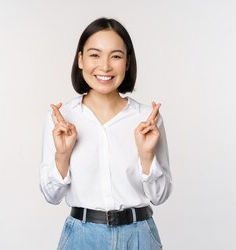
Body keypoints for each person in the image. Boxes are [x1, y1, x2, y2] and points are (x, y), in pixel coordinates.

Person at [40, 17, 172, 250]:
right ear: (80, 59)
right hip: (82, 237)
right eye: (94, 55)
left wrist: (146, 157)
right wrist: (62, 155)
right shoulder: (63, 118)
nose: (105, 66)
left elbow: (159, 196)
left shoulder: (146, 119)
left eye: (116, 56)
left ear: (127, 62)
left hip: (139, 236)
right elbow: (52, 196)